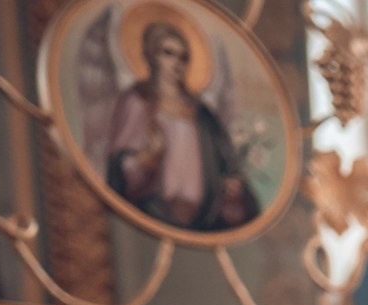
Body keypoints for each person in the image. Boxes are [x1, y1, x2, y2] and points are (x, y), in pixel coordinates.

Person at [102, 19, 260, 232]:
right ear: (150, 55)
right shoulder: (137, 101)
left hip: (204, 213)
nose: (177, 63)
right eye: (168, 53)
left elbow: (226, 163)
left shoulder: (202, 113)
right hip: (152, 207)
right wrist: (144, 160)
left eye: (183, 57)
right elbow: (117, 166)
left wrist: (232, 185)